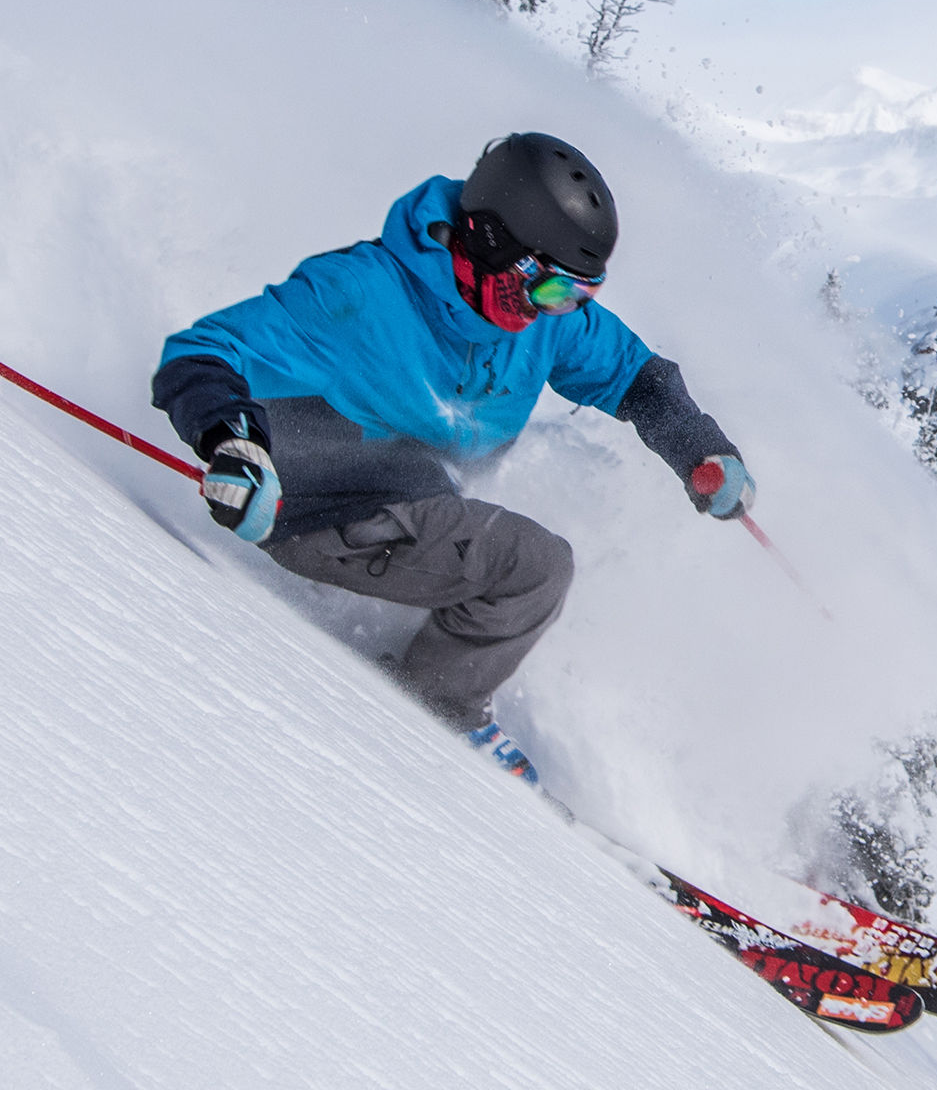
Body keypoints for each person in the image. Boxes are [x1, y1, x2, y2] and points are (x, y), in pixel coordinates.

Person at [150, 132, 747, 765]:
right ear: (492, 242)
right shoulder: (360, 290)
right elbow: (200, 353)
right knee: (535, 567)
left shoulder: (543, 319)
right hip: (319, 506)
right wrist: (234, 444)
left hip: (417, 496)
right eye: (550, 291)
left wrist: (700, 450)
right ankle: (438, 715)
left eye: (581, 297)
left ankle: (440, 671)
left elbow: (635, 377)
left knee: (530, 560)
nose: (559, 311)